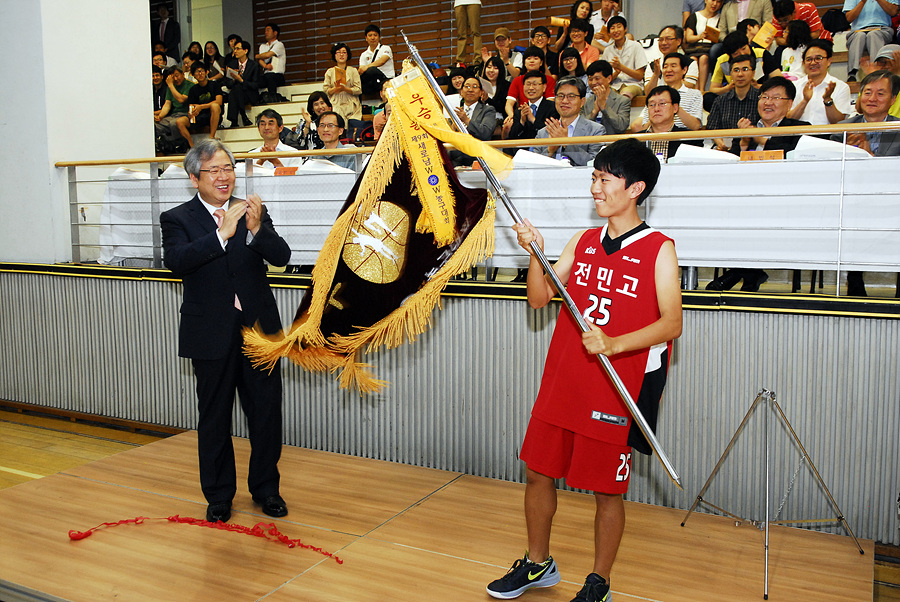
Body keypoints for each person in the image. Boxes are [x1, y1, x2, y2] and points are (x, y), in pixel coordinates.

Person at [486, 137, 681, 602]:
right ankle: (538, 564)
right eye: (594, 177)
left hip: (613, 390)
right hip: (563, 380)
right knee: (538, 472)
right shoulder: (583, 241)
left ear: (635, 188)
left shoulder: (659, 249)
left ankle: (599, 582)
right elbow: (539, 299)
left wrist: (614, 344)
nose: (595, 187)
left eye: (604, 179)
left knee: (606, 492)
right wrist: (535, 253)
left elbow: (671, 322)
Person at [159, 139, 291, 525]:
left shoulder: (251, 210)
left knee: (266, 413)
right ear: (194, 178)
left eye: (228, 168)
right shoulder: (177, 218)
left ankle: (266, 489)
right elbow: (176, 261)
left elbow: (282, 257)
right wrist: (221, 235)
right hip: (210, 331)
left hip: (258, 331)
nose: (223, 176)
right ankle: (218, 496)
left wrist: (256, 228)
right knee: (214, 416)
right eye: (214, 170)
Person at [831, 70, 900, 296]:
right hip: (855, 199)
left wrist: (870, 158)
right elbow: (832, 169)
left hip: (893, 198)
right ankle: (855, 283)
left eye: (881, 93)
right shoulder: (842, 129)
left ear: (893, 99)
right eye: (867, 92)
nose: (872, 98)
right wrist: (850, 153)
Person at [535, 77, 606, 166]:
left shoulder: (595, 130)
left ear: (582, 101)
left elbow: (594, 164)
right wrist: (550, 150)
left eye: (571, 96)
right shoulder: (543, 133)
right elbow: (534, 166)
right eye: (560, 96)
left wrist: (566, 143)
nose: (564, 101)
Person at [632, 54, 703, 131]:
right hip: (657, 136)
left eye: (673, 66)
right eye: (665, 67)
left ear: (684, 70)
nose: (668, 70)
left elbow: (695, 126)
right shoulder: (656, 95)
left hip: (683, 137)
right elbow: (645, 127)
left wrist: (673, 107)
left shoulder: (695, 94)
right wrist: (658, 117)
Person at [706, 53, 762, 151]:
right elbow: (712, 128)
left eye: (745, 69)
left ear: (753, 73)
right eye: (736, 70)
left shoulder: (761, 99)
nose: (740, 74)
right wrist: (721, 143)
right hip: (726, 151)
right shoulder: (720, 101)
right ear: (731, 74)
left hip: (754, 151)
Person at [787, 40, 852, 124]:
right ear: (803, 63)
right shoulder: (794, 86)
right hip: (800, 132)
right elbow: (788, 120)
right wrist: (805, 101)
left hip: (826, 132)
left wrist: (828, 100)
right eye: (809, 59)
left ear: (829, 61)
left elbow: (839, 122)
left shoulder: (841, 87)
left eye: (818, 58)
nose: (813, 62)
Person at [636, 85, 704, 161]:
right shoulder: (636, 141)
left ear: (675, 108)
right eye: (652, 105)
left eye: (662, 103)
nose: (656, 109)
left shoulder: (690, 140)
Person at [843, 0, 899, 82]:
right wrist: (863, 2)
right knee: (859, 36)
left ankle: (877, 71)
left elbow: (893, 11)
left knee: (873, 35)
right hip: (858, 31)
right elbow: (849, 18)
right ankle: (852, 73)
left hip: (882, 28)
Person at [450, 76, 500, 166]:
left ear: (481, 92)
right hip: (455, 157)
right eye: (467, 86)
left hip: (477, 157)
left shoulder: (488, 110)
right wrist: (453, 126)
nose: (470, 90)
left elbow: (485, 132)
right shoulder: (455, 111)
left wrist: (466, 120)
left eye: (475, 87)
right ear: (461, 92)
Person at [502, 70, 560, 142]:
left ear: (544, 87)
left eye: (535, 84)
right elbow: (513, 138)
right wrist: (522, 122)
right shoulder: (520, 111)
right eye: (528, 84)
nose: (531, 88)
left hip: (544, 147)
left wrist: (533, 120)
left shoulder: (553, 107)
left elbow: (551, 132)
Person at [176, 63, 223, 148]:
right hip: (199, 117)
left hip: (213, 115)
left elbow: (219, 102)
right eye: (197, 72)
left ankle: (212, 137)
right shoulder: (193, 89)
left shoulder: (214, 85)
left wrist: (201, 107)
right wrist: (191, 113)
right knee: (180, 121)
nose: (200, 74)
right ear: (193, 75)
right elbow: (191, 106)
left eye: (201, 71)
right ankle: (191, 146)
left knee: (215, 106)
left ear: (206, 72)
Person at [505, 47, 557, 121]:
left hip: (543, 116)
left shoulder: (549, 80)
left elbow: (550, 102)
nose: (532, 61)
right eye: (528, 58)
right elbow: (509, 103)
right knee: (508, 124)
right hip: (523, 115)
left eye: (536, 58)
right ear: (524, 62)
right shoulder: (517, 80)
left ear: (541, 62)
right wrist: (512, 116)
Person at [602, 16, 648, 100]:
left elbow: (640, 76)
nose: (616, 30)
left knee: (625, 94)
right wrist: (616, 73)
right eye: (612, 28)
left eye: (619, 26)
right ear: (609, 33)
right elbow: (605, 79)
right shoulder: (607, 51)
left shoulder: (635, 46)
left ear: (625, 29)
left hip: (633, 84)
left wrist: (621, 67)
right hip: (615, 86)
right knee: (605, 94)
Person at [643, 25, 701, 92]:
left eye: (668, 39)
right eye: (661, 40)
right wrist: (656, 74)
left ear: (678, 41)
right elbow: (648, 92)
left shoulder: (689, 63)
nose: (664, 43)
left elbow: (689, 86)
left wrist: (667, 82)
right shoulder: (653, 65)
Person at [324, 42, 364, 139]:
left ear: (347, 55)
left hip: (351, 103)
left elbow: (358, 90)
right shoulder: (330, 72)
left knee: (352, 125)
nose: (341, 55)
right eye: (338, 52)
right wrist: (335, 89)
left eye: (344, 52)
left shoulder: (353, 71)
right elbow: (325, 90)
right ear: (334, 55)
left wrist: (345, 89)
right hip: (336, 102)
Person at [683, 0, 723, 92]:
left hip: (710, 48)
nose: (714, 4)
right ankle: (695, 89)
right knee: (693, 59)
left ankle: (702, 90)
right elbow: (688, 38)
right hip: (694, 47)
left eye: (718, 2)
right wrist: (699, 37)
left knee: (704, 58)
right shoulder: (694, 16)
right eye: (712, 0)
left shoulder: (721, 18)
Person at [582, 59, 631, 134]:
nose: (593, 83)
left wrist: (604, 107)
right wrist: (594, 112)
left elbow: (622, 127)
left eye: (597, 78)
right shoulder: (586, 102)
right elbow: (582, 129)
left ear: (609, 79)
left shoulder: (623, 101)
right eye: (590, 79)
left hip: (614, 141)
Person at [223, 40, 261, 128]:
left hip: (249, 93)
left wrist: (241, 80)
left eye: (238, 49)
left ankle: (234, 120)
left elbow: (255, 85)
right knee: (236, 88)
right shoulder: (231, 64)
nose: (235, 51)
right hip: (237, 93)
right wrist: (234, 79)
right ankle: (243, 116)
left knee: (236, 89)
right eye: (234, 49)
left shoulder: (254, 65)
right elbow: (228, 84)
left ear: (245, 51)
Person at [155, 65, 194, 150]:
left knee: (174, 123)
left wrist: (170, 85)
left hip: (187, 114)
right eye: (173, 77)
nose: (175, 79)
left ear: (183, 74)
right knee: (156, 125)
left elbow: (181, 99)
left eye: (177, 76)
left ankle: (179, 145)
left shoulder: (190, 85)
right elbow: (167, 104)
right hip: (173, 115)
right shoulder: (171, 86)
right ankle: (164, 146)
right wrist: (160, 116)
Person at [359, 24, 395, 95]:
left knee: (372, 70)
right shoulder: (364, 54)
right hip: (373, 83)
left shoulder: (385, 48)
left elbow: (382, 61)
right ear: (366, 38)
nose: (373, 38)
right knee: (358, 85)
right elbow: (361, 69)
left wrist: (367, 67)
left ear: (379, 37)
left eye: (375, 35)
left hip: (386, 80)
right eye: (370, 35)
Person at [257, 23, 287, 96]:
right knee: (255, 81)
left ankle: (273, 99)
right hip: (266, 75)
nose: (266, 32)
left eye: (268, 30)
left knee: (270, 78)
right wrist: (265, 66)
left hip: (278, 75)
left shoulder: (279, 44)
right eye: (265, 31)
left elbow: (267, 55)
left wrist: (257, 56)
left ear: (275, 33)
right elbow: (260, 60)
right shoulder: (262, 46)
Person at [454, 0, 482, 65]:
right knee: (461, 34)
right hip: (459, 3)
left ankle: (477, 60)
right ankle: (460, 61)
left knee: (475, 32)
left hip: (474, 2)